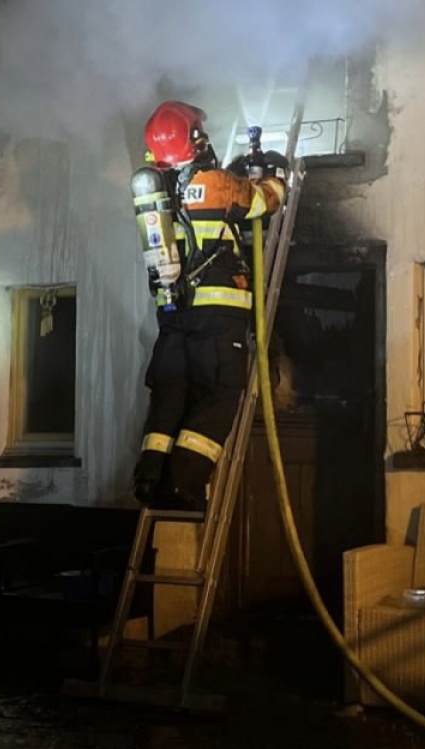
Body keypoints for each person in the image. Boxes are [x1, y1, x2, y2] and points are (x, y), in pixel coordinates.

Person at [131, 100, 287, 512]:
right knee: (219, 393)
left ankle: (150, 477)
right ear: (195, 138)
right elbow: (262, 202)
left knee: (171, 394)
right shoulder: (217, 183)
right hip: (217, 314)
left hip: (172, 313)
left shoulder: (156, 191)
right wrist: (277, 177)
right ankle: (185, 483)